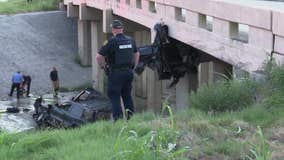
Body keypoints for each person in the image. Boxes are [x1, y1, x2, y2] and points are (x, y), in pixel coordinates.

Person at [96, 20, 140, 121]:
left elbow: (98, 57)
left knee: (114, 96)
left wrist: (102, 67)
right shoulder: (130, 40)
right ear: (122, 29)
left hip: (116, 73)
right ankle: (131, 119)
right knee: (127, 96)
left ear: (113, 30)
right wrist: (134, 67)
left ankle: (118, 121)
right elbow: (137, 54)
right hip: (128, 72)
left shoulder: (110, 41)